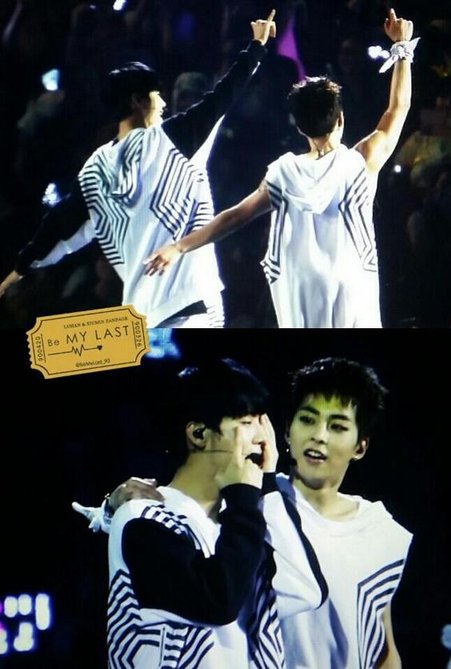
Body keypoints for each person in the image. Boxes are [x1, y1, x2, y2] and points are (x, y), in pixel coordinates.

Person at [76, 355, 411, 668]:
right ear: (199, 434)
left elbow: (304, 590)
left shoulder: (239, 518)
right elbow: (218, 600)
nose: (261, 437)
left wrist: (264, 481)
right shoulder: (142, 517)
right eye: (248, 422)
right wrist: (245, 497)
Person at [0, 11, 277, 328]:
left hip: (144, 314)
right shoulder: (173, 138)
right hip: (194, 301)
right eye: (156, 95)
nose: (163, 102)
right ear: (137, 101)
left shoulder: (95, 168)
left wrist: (17, 271)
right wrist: (257, 47)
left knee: (56, 348)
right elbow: (222, 95)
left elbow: (58, 226)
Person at [144, 8, 417, 328]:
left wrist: (179, 246)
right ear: (341, 119)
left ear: (299, 127)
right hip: (353, 296)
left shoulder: (283, 173)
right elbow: (398, 108)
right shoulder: (362, 160)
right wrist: (401, 47)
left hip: (300, 299)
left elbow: (235, 217)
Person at [277, 356, 412, 668]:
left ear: (360, 446)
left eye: (337, 426)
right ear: (287, 431)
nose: (319, 435)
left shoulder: (378, 531)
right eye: (308, 419)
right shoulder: (255, 506)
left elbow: (382, 646)